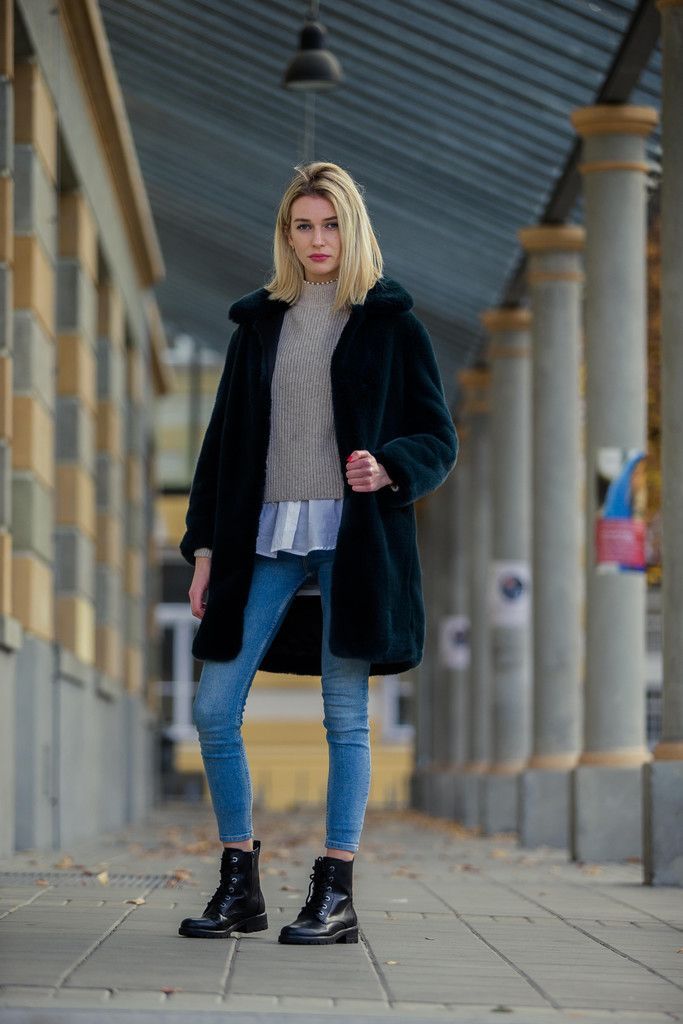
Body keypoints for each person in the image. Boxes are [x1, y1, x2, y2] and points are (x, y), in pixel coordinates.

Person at [177, 162, 457, 945]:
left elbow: (437, 436)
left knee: (344, 717)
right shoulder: (259, 326)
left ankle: (334, 893)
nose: (317, 239)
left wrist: (390, 466)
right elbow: (221, 446)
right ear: (286, 235)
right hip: (260, 540)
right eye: (302, 226)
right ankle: (239, 884)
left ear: (351, 228)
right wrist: (203, 550)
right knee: (212, 708)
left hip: (353, 542)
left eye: (329, 224)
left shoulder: (391, 323)